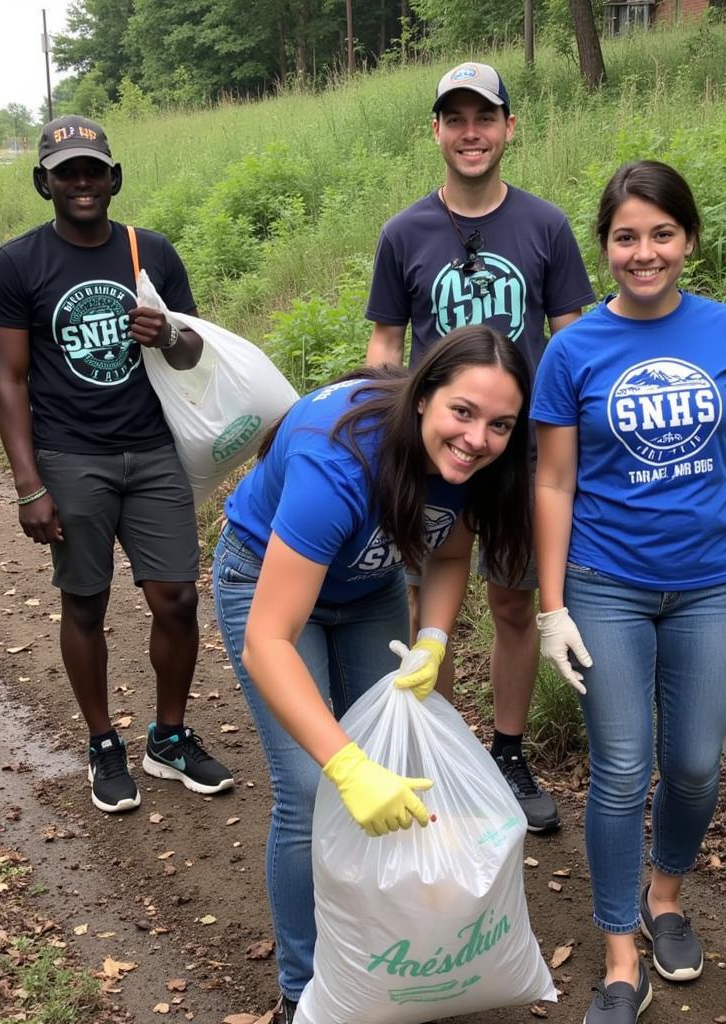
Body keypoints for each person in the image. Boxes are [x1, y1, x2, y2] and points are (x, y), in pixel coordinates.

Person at [531, 160, 726, 1024]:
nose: (643, 252)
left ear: (687, 239)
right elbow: (552, 482)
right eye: (626, 237)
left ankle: (665, 897)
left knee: (692, 766)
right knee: (621, 770)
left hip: (711, 583)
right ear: (605, 246)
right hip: (607, 583)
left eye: (661, 234)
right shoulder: (571, 350)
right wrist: (552, 607)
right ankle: (621, 952)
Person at [212, 326, 532, 1022]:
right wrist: (348, 768)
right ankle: (304, 991)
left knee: (398, 762)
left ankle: (390, 947)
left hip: (368, 586)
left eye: (500, 425)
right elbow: (270, 640)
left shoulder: (470, 468)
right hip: (263, 582)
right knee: (310, 787)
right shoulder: (339, 462)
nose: (478, 439)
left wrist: (436, 638)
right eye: (463, 412)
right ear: (423, 398)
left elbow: (446, 557)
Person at [365, 61, 596, 833]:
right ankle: (440, 755)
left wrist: (577, 444)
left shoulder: (545, 226)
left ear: (508, 128)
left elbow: (573, 342)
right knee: (428, 610)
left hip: (519, 456)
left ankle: (505, 751)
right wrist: (385, 439)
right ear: (435, 130)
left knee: (510, 602)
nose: (471, 132)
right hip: (436, 454)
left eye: (484, 117)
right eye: (454, 119)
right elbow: (384, 348)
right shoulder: (405, 232)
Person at [0, 115, 234, 815]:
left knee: (177, 599)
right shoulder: (17, 264)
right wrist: (29, 485)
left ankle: (170, 737)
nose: (82, 183)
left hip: (152, 450)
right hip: (68, 455)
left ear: (114, 178)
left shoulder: (148, 253)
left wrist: (171, 331)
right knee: (85, 601)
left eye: (94, 170)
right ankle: (102, 744)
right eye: (68, 172)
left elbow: (191, 356)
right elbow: (8, 380)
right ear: (45, 183)